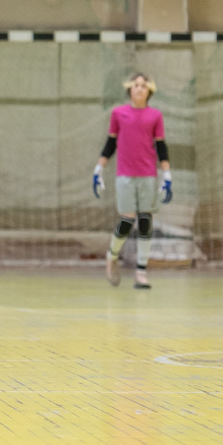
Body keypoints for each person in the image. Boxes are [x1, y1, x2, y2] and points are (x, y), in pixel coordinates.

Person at [93, 72, 172, 289]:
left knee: (145, 221)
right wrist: (99, 169)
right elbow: (111, 144)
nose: (139, 89)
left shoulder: (155, 116)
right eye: (136, 85)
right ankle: (112, 256)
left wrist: (167, 175)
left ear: (149, 91)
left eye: (144, 86)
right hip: (125, 176)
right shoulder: (118, 113)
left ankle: (141, 272)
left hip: (148, 176)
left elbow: (161, 147)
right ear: (130, 89)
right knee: (127, 221)